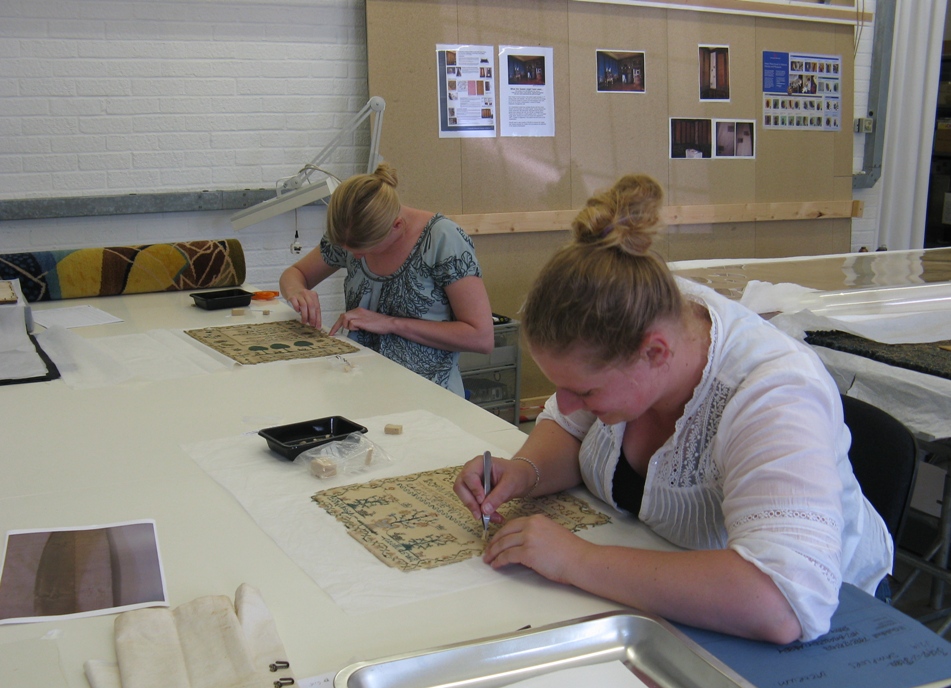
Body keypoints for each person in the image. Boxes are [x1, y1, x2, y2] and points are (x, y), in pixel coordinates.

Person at [453, 173, 893, 645]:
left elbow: (782, 604)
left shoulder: (774, 393)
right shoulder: (639, 308)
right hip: (666, 583)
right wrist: (525, 472)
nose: (564, 404)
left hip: (837, 631)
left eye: (584, 392)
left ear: (655, 354)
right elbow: (569, 429)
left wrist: (575, 560)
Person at [279, 163, 494, 396]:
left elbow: (481, 337)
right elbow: (295, 274)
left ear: (397, 226)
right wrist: (296, 291)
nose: (356, 257)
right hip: (358, 385)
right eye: (349, 250)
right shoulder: (351, 230)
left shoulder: (443, 240)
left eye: (366, 249)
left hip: (427, 395)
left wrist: (391, 323)